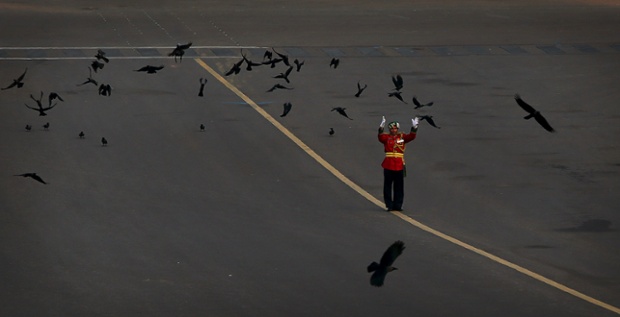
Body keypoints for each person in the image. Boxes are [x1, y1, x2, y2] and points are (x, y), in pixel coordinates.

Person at [377, 116, 419, 211]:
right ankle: (389, 205)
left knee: (399, 186)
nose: (394, 130)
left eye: (395, 128)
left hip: (399, 164)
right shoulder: (386, 138)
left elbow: (411, 137)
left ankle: (398, 205)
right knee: (387, 186)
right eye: (392, 128)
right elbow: (380, 137)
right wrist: (381, 128)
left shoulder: (402, 137)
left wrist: (414, 128)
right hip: (388, 164)